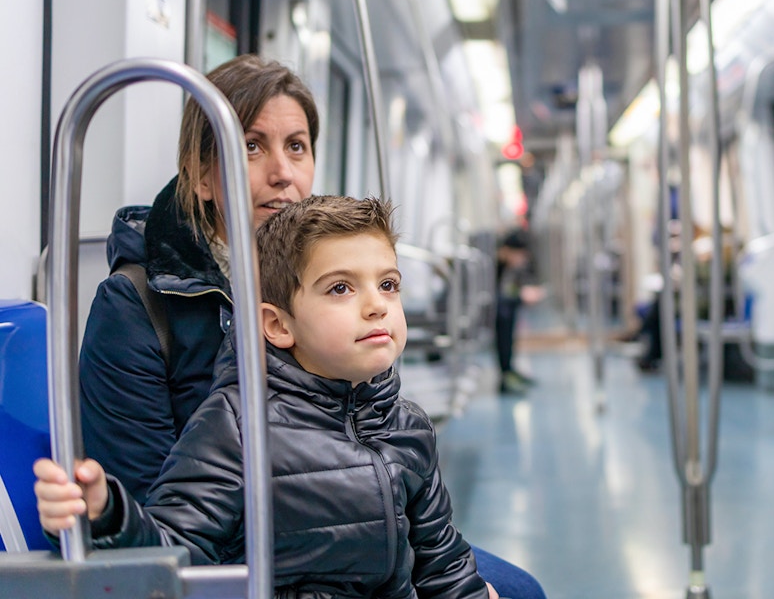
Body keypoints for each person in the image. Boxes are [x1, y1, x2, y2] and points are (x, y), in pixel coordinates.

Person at [77, 54, 545, 599]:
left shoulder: (330, 282)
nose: (283, 172)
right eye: (251, 146)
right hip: (245, 551)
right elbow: (150, 505)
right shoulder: (138, 305)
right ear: (202, 175)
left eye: (297, 146)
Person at [36, 195, 494, 598]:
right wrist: (107, 515)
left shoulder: (408, 426)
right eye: (340, 288)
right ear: (277, 325)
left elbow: (442, 564)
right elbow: (176, 550)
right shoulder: (238, 425)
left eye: (388, 284)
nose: (377, 305)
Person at [495, 228, 543, 395]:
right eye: (520, 255)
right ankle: (506, 373)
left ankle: (508, 369)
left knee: (509, 313)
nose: (522, 260)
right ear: (508, 251)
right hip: (480, 313)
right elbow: (493, 298)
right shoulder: (491, 265)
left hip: (493, 310)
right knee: (504, 315)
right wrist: (520, 297)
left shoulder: (505, 266)